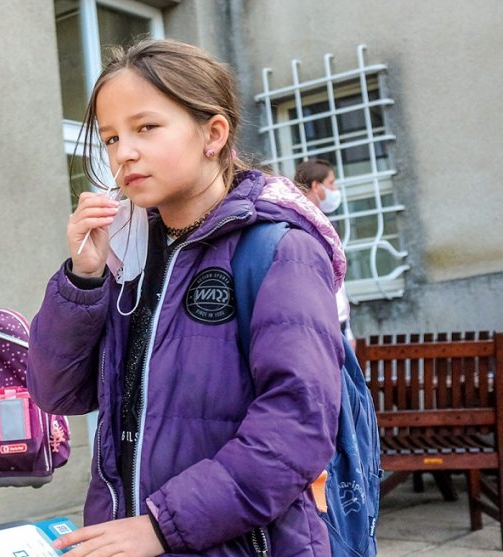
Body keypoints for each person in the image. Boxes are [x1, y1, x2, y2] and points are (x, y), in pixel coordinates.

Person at [27, 40, 344, 556]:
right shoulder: (129, 254)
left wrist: (159, 526)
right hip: (129, 537)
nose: (124, 152)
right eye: (110, 138)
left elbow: (297, 427)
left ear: (213, 134)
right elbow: (55, 393)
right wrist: (83, 279)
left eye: (146, 127)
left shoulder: (279, 247)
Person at [294, 159, 356, 350]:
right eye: (331, 183)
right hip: (325, 332)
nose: (335, 189)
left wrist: (349, 331)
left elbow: (339, 285)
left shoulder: (325, 225)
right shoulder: (302, 228)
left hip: (340, 328)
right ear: (315, 186)